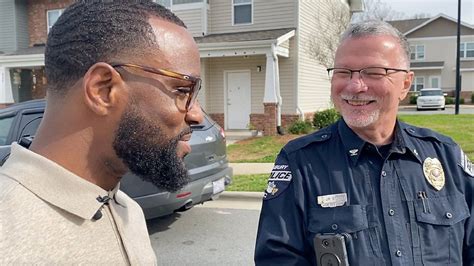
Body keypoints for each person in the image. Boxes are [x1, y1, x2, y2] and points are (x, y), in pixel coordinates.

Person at [255, 20, 473, 265]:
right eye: (343, 72)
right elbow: (277, 259)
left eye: (374, 72)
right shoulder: (300, 163)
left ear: (406, 83)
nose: (355, 85)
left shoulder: (447, 156)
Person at [0, 1, 203, 264]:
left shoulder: (128, 209)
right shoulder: (7, 235)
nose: (197, 114)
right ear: (102, 90)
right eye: (182, 90)